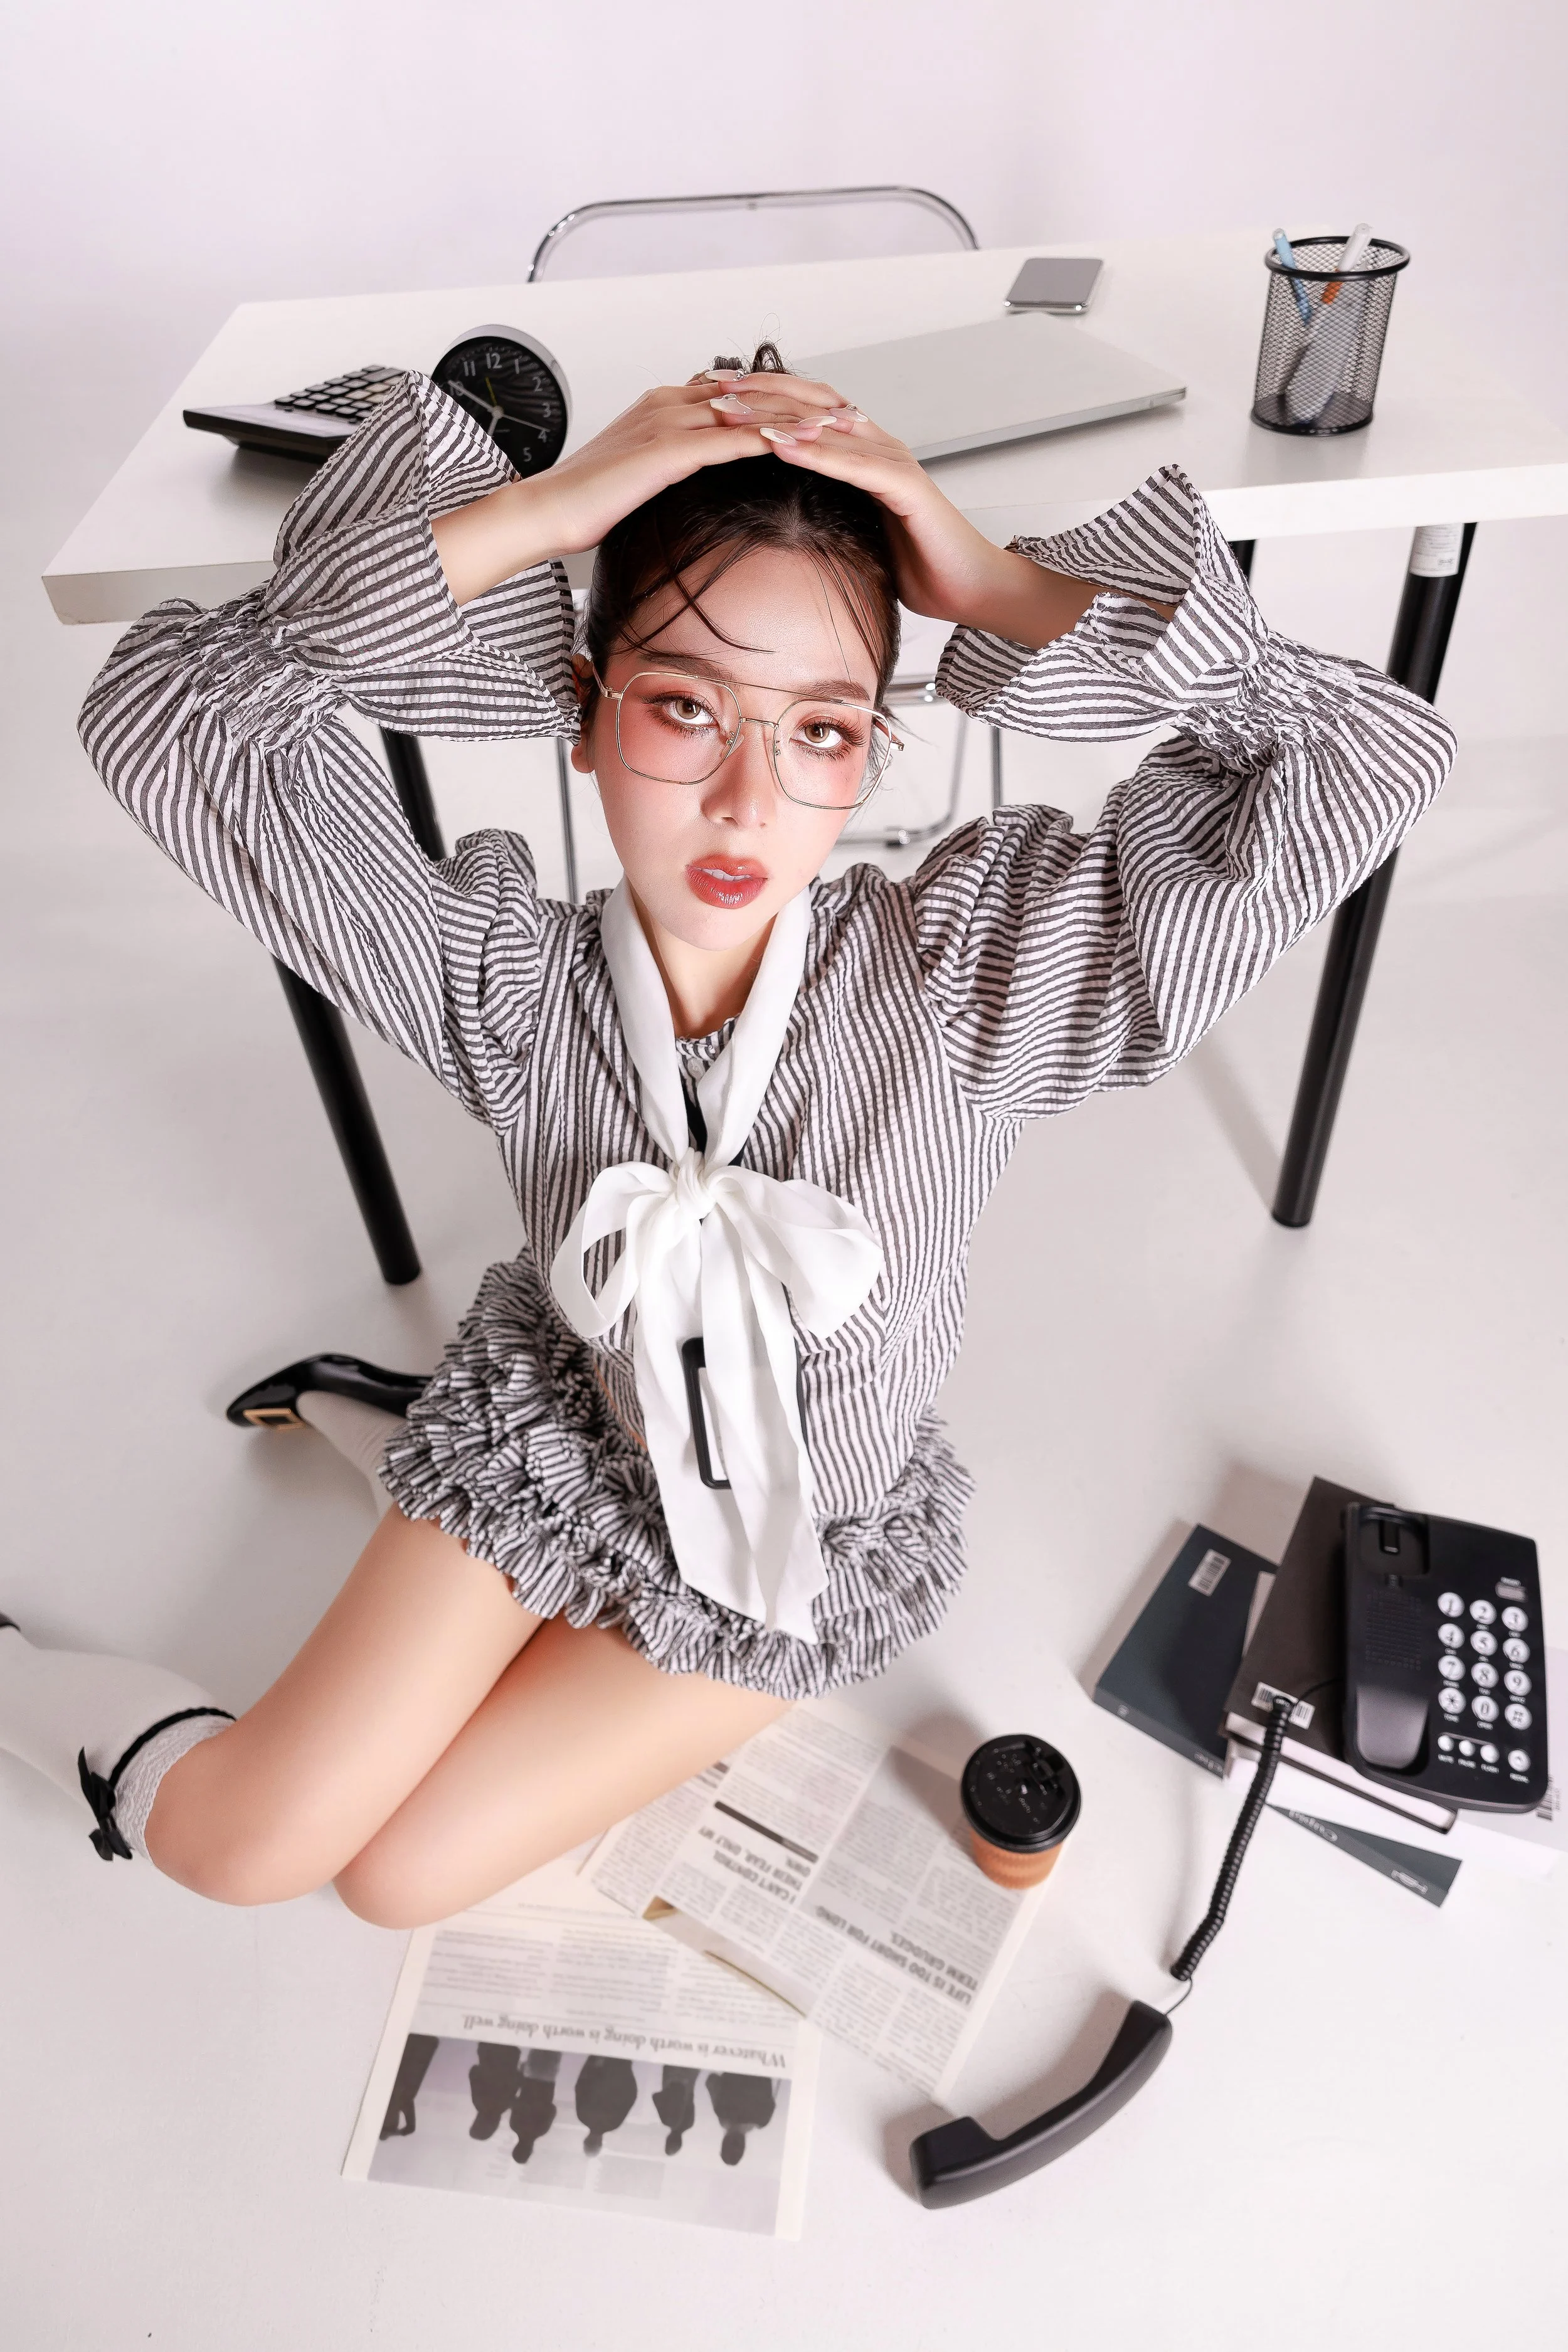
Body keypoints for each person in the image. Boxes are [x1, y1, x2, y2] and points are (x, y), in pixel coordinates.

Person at [0, 347, 1454, 1931]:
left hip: (794, 1553)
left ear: (869, 747)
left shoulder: (969, 986)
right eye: (685, 707)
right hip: (563, 1440)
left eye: (820, 729)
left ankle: (393, 1467)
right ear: (582, 707)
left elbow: (1362, 758)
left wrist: (989, 581)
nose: (748, 802)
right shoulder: (503, 986)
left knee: (399, 1881)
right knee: (240, 1850)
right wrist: (546, 512)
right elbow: (174, 714)